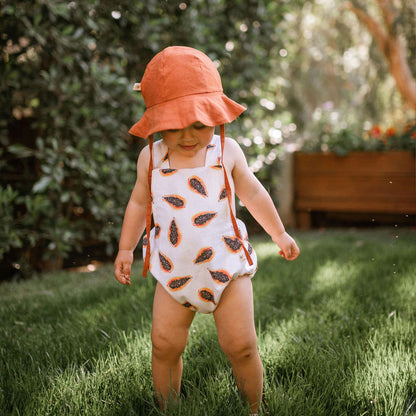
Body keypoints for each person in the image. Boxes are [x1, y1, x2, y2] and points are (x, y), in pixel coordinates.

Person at [114, 46, 299, 415]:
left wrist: (279, 234)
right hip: (173, 269)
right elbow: (139, 203)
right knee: (164, 344)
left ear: (216, 115)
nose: (187, 135)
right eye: (173, 126)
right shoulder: (152, 158)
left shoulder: (226, 152)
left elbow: (254, 193)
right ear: (156, 123)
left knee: (241, 344)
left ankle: (254, 409)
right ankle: (170, 408)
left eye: (199, 123)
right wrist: (125, 249)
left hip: (226, 266)